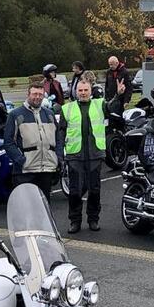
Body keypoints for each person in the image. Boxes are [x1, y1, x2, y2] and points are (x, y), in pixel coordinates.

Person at [59, 77, 123, 233]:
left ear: (90, 91)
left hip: (94, 155)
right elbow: (61, 132)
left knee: (94, 190)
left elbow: (112, 107)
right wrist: (60, 154)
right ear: (76, 92)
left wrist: (119, 95)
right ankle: (75, 221)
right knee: (75, 191)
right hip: (75, 156)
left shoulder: (99, 104)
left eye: (85, 90)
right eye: (80, 90)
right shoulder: (67, 108)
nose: (83, 93)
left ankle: (93, 219)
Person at [4, 80, 61, 200]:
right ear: (28, 94)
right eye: (34, 94)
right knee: (26, 207)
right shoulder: (15, 115)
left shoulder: (49, 114)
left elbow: (58, 139)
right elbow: (9, 143)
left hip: (47, 169)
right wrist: (21, 160)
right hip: (25, 171)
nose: (37, 97)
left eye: (40, 94)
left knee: (44, 207)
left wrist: (58, 158)